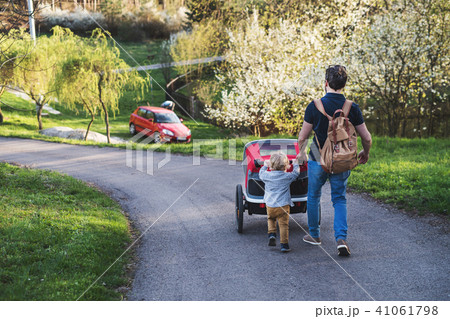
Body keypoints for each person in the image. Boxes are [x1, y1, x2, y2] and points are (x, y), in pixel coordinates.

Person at [296, 65, 372, 256]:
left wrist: (301, 153)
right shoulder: (351, 107)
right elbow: (367, 137)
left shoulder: (314, 106)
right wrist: (365, 152)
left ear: (326, 83)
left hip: (316, 155)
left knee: (313, 196)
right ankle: (341, 239)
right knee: (339, 199)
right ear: (344, 85)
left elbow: (302, 137)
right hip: (342, 156)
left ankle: (314, 235)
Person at [259, 152, 300, 252]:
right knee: (283, 225)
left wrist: (265, 165)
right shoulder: (287, 176)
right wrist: (296, 164)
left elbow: (260, 174)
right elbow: (296, 173)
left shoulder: (266, 176)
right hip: (283, 205)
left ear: (271, 165)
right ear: (285, 166)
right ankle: (284, 245)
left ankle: (272, 234)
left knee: (271, 219)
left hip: (270, 204)